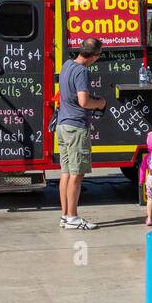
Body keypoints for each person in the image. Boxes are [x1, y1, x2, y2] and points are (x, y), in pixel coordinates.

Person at [55, 38, 106, 229]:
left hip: (63, 124)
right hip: (76, 126)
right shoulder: (82, 71)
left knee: (66, 172)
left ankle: (65, 216)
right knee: (77, 173)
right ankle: (73, 217)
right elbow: (84, 101)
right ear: (93, 56)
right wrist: (100, 103)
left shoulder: (67, 65)